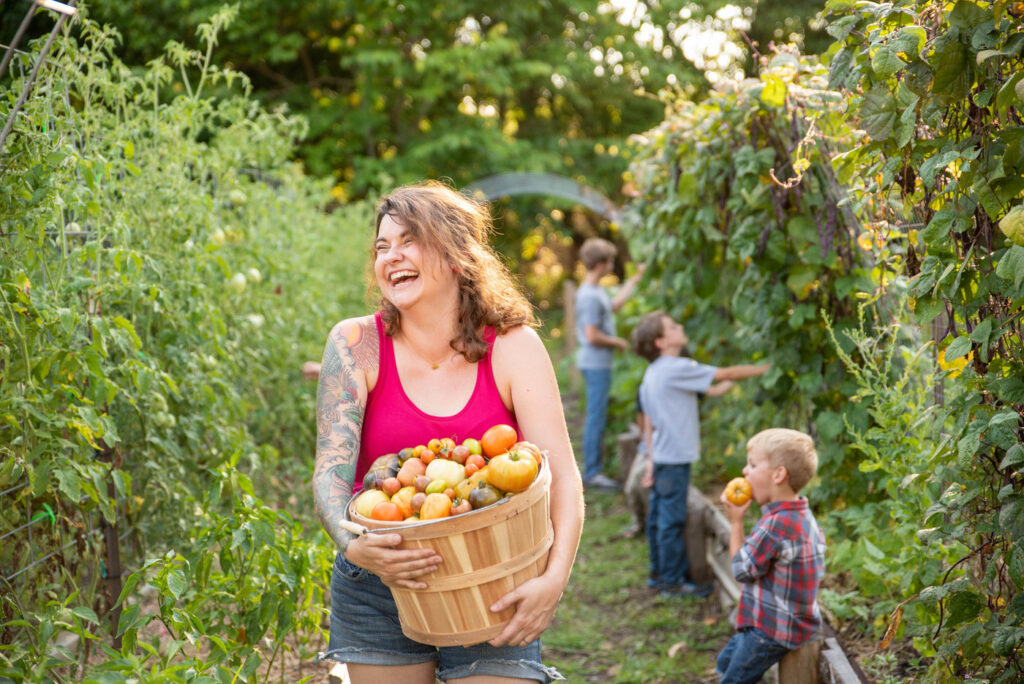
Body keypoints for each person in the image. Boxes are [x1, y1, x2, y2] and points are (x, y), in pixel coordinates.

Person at [314, 180, 584, 683]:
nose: (391, 256)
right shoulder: (355, 343)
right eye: (381, 246)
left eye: (408, 240)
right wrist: (353, 547)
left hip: (493, 572)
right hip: (381, 579)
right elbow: (330, 472)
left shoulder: (512, 345)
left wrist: (554, 581)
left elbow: (562, 475)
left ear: (457, 254)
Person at [632, 311, 767, 597]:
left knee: (658, 518)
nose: (680, 326)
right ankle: (672, 582)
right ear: (661, 342)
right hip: (675, 458)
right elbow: (726, 374)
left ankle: (659, 574)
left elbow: (715, 388)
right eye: (672, 326)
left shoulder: (653, 373)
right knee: (671, 520)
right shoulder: (676, 367)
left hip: (662, 457)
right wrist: (766, 368)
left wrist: (650, 460)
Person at [717, 428, 826, 684]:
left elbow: (741, 570)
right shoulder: (802, 516)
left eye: (753, 465)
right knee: (725, 662)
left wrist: (735, 522)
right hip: (790, 619)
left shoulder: (775, 525)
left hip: (771, 628)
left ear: (778, 474)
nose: (745, 471)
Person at [574, 237, 644, 490]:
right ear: (600, 263)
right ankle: (592, 472)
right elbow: (592, 335)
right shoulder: (589, 296)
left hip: (598, 364)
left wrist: (634, 280)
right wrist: (617, 342)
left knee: (597, 415)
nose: (612, 265)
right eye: (610, 261)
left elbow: (613, 307)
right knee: (596, 417)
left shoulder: (594, 291)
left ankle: (594, 469)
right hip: (596, 364)